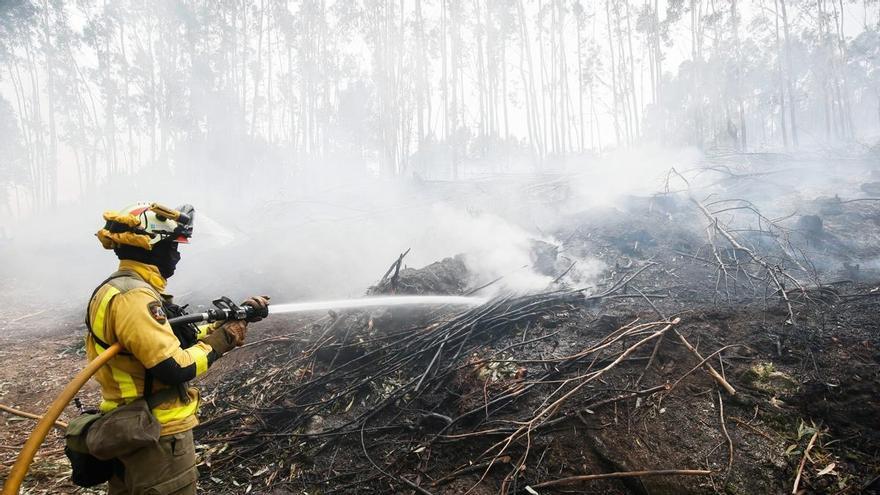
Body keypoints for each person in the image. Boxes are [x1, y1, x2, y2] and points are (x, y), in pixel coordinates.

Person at [87, 202, 269, 494]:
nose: (177, 254)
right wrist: (224, 340)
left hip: (129, 427)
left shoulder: (118, 289)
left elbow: (168, 338)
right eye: (172, 245)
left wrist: (232, 321)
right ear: (151, 247)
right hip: (156, 435)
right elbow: (175, 366)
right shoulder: (134, 298)